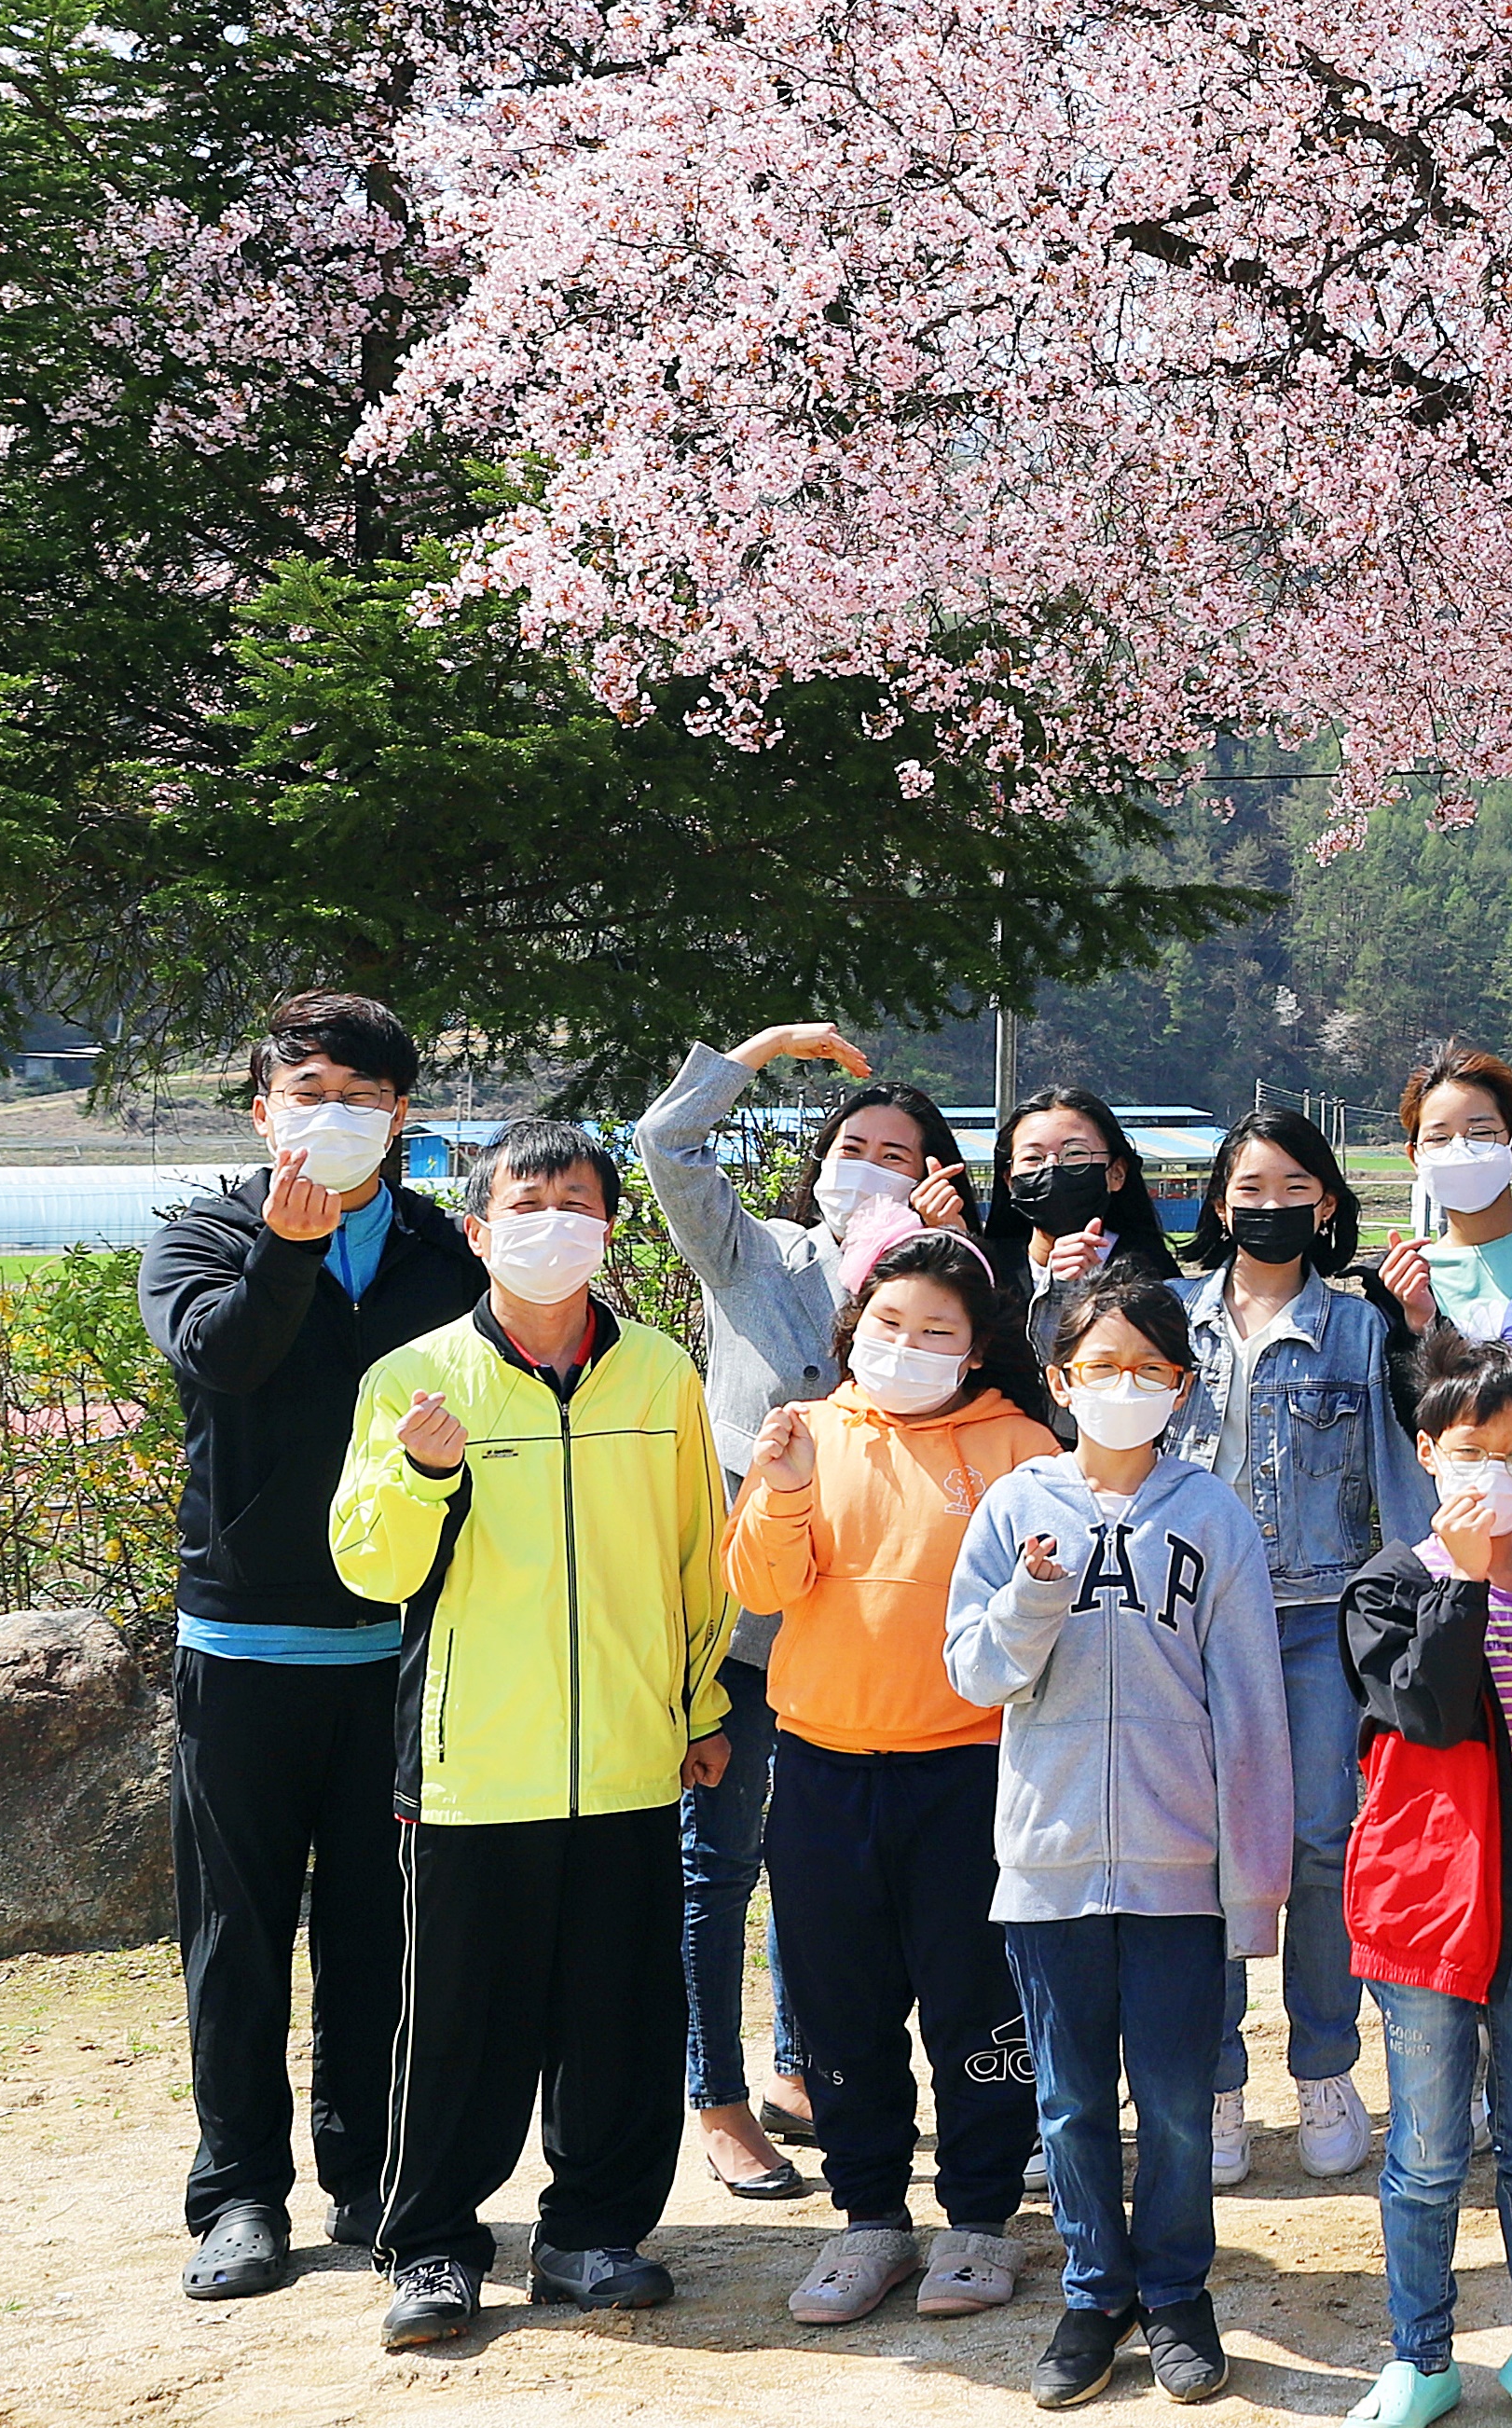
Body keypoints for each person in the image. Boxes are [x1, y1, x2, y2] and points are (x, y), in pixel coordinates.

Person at [325, 1119, 737, 2352]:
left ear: (607, 1228)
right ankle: (437, 2248)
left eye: (576, 1199)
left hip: (625, 1754)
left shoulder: (660, 1373)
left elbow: (694, 1559)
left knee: (618, 2009)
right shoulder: (412, 1379)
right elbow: (369, 1564)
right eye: (528, 1198)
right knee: (457, 2023)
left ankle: (593, 2235)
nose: (552, 1218)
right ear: (479, 1227)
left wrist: (698, 1705)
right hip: (471, 1770)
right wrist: (424, 1475)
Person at [145, 989, 479, 2301]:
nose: (332, 1117)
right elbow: (221, 1363)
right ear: (260, 1108)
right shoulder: (201, 1237)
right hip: (241, 1640)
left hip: (394, 1649)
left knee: (377, 1932)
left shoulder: (442, 1254)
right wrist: (287, 1251)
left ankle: (368, 2173)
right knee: (234, 1933)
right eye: (308, 1092)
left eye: (361, 1096)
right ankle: (237, 2195)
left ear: (402, 1116)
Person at [634, 1020, 982, 2205]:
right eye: (858, 1145)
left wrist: (949, 1247)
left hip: (870, 1635)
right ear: (823, 1158)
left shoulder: (936, 1287)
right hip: (741, 1614)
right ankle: (718, 2097)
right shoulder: (764, 1260)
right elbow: (665, 1147)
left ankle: (802, 2072)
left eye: (901, 1153)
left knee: (827, 1862)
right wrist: (758, 1051)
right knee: (718, 1860)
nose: (874, 1167)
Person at [946, 1272, 1296, 2411]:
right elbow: (973, 1670)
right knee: (1072, 2102)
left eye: (1150, 1369)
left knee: (1182, 2097)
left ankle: (1180, 2290)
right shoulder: (1012, 1509)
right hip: (1046, 1864)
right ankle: (1095, 2294)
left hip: (1177, 1865)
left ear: (1182, 1387)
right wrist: (1031, 1603)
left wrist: (1252, 1888)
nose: (1126, 1388)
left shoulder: (1212, 1515)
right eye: (1102, 1369)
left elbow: (1249, 1709)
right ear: (1059, 1382)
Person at [718, 1225, 1064, 2324]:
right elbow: (760, 1589)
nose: (907, 1345)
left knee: (976, 2005)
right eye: (888, 1324)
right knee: (837, 2006)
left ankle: (977, 2220)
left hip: (969, 1771)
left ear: (975, 1349)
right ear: (852, 1327)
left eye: (936, 1332)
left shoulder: (1022, 1448)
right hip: (822, 1768)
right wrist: (778, 1492)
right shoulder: (809, 1432)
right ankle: (870, 2218)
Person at [1337, 1340, 1512, 2428]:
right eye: (1469, 1451)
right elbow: (1431, 1714)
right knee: (1426, 2152)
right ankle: (1420, 2357)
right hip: (1430, 1928)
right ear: (1424, 1452)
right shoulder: (1388, 1586)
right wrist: (1457, 1579)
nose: (1492, 1472)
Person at [1162, 1107, 1431, 2189]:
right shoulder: (1167, 1319)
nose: (1268, 1207)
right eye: (1248, 1187)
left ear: (1326, 1202)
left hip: (1322, 1615)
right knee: (1203, 1851)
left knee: (1326, 1840)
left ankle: (1325, 2062)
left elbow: (1402, 1475)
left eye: (1291, 1188)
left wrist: (1419, 1598)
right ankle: (1218, 2082)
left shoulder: (1363, 1328)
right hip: (1187, 1615)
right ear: (1218, 1200)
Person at [1376, 1046, 1512, 1336]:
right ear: (1415, 1157)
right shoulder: (1402, 1282)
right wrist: (1417, 1323)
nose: (1460, 1148)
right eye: (1439, 1138)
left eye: (1481, 1133)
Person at [982, 1085, 1181, 1317]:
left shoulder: (1152, 1273)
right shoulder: (986, 1274)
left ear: (1116, 1173)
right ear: (1009, 1180)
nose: (1052, 1168)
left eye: (1075, 1154)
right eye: (1033, 1158)